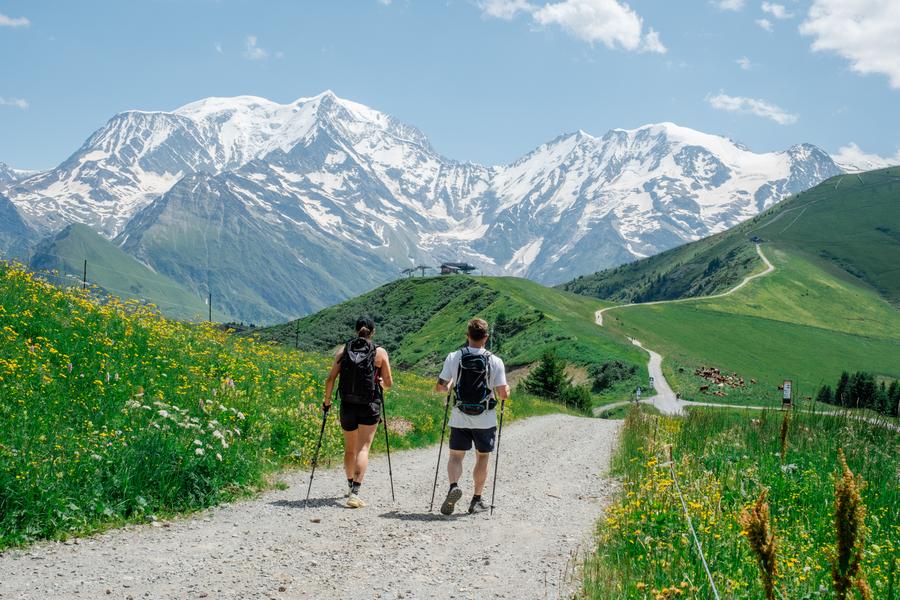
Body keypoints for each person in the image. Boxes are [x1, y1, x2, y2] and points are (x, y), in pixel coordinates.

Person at [435, 318, 509, 515]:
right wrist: (507, 390)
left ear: (467, 336)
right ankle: (476, 500)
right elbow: (502, 394)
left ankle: (453, 486)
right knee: (482, 456)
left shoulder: (454, 357)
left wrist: (450, 385)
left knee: (455, 456)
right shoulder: (495, 360)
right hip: (485, 418)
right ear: (486, 337)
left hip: (459, 416)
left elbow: (440, 387)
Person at [323, 317, 393, 508]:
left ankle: (349, 486)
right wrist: (379, 383)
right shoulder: (379, 352)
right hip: (369, 405)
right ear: (373, 331)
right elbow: (388, 383)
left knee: (350, 449)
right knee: (363, 449)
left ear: (356, 330)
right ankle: (355, 494)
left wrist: (327, 402)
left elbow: (330, 379)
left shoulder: (343, 350)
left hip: (347, 404)